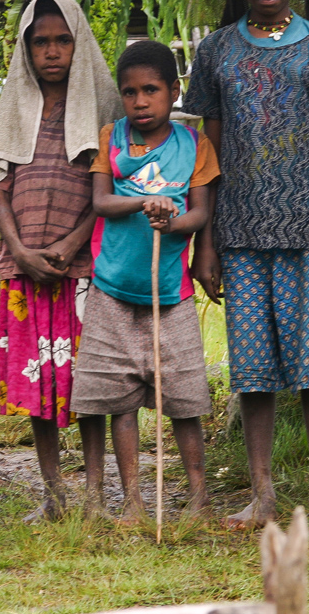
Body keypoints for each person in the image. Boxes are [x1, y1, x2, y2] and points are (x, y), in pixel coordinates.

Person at [183, 0, 309, 530]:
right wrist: (204, 240)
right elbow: (209, 149)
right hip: (237, 234)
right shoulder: (216, 51)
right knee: (252, 372)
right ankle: (262, 493)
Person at [0, 0, 123, 521]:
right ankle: (53, 494)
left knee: (88, 384)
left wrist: (70, 244)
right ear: (26, 48)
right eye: (39, 42)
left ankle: (93, 499)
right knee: (36, 387)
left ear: (78, 42)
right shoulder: (15, 105)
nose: (51, 52)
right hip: (24, 266)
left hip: (82, 269)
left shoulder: (101, 106)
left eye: (62, 40)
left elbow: (107, 187)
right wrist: (19, 248)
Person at [73, 40, 220, 524]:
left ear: (173, 91)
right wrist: (141, 203)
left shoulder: (194, 145)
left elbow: (200, 213)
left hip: (170, 295)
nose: (140, 102)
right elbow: (100, 202)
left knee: (184, 399)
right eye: (130, 92)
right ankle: (133, 501)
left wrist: (173, 222)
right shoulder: (111, 138)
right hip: (112, 290)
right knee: (118, 400)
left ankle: (198, 500)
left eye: (152, 90)